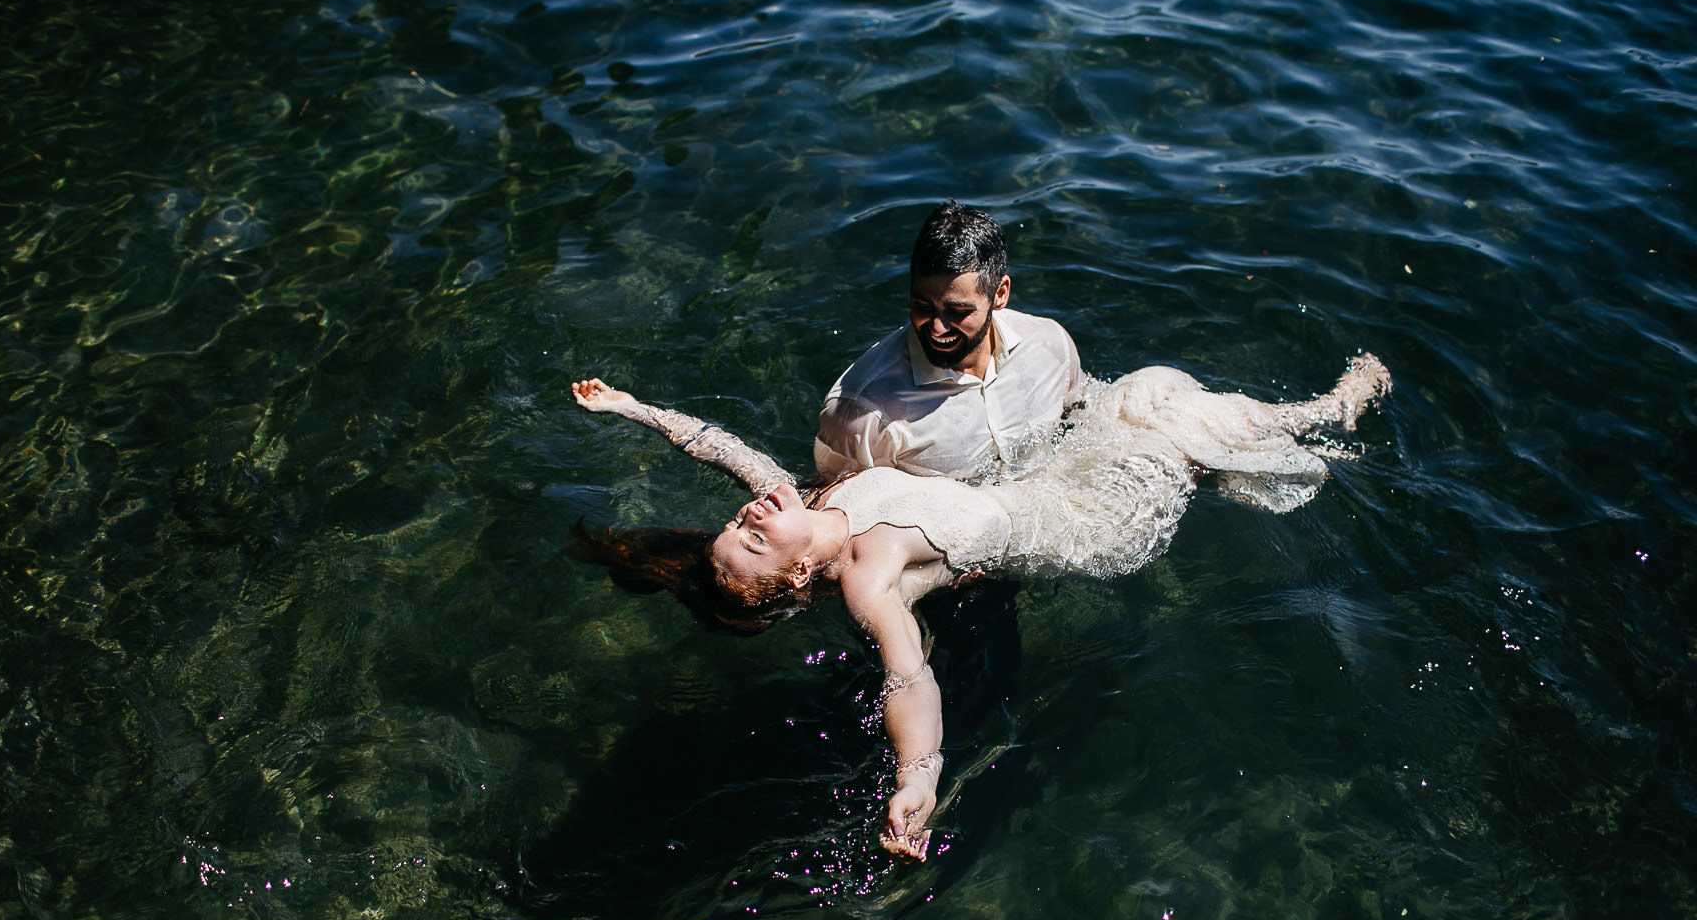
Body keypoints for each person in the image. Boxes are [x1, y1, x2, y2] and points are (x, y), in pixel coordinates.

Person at [569, 354, 1392, 862]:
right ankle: (1327, 415)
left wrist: (631, 408)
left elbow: (723, 450)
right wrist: (916, 780)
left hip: (1053, 482)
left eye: (735, 525)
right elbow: (909, 679)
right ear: (794, 580)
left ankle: (1256, 449)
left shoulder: (804, 502)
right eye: (751, 541)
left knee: (1141, 397)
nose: (746, 517)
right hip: (1094, 526)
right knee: (1169, 408)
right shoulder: (865, 574)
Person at [814, 201, 1085, 482]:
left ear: (1000, 294)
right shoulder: (862, 414)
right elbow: (831, 506)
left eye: (958, 312)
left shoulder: (1051, 347)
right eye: (923, 306)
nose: (937, 328)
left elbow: (1078, 421)